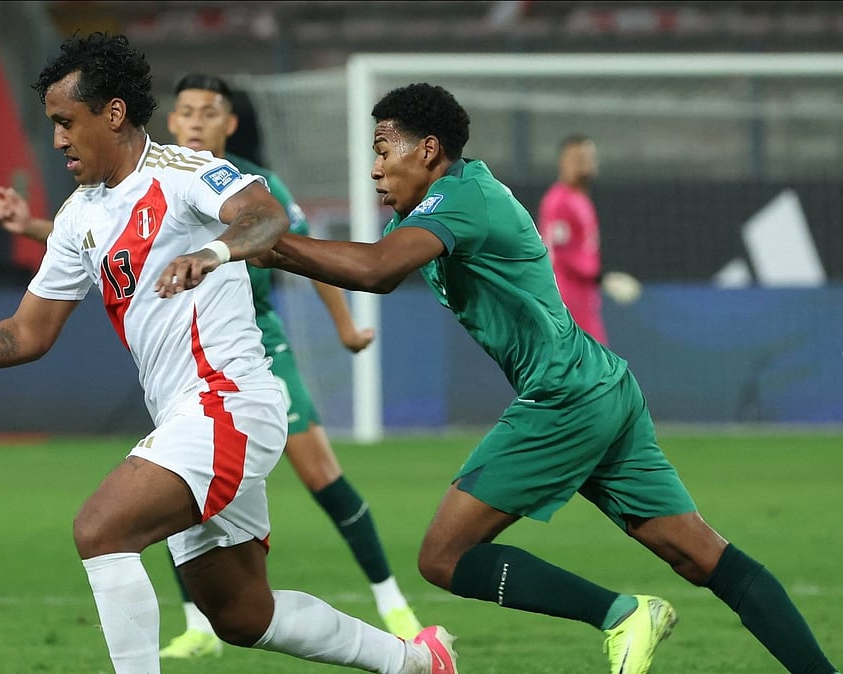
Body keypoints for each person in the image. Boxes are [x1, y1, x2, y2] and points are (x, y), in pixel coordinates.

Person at [0, 33, 457, 674]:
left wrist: (212, 251)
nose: (59, 141)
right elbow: (27, 333)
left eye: (67, 122)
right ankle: (414, 664)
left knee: (100, 530)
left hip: (228, 403)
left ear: (115, 113)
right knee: (240, 614)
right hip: (189, 417)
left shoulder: (183, 174)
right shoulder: (78, 218)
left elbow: (266, 216)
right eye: (52, 125)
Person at [226, 83, 838, 674]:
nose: (375, 169)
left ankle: (621, 613)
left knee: (443, 557)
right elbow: (370, 261)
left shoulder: (463, 199)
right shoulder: (441, 207)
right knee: (702, 555)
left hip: (565, 395)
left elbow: (378, 271)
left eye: (385, 149)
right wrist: (274, 249)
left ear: (429, 150)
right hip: (599, 385)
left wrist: (271, 245)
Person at [156, 72, 424, 657]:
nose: (196, 121)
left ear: (229, 123)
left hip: (260, 350)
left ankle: (391, 600)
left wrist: (347, 326)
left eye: (209, 112)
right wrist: (36, 229)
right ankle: (199, 629)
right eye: (187, 112)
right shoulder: (155, 181)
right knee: (179, 484)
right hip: (187, 360)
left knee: (320, 475)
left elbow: (310, 257)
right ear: (172, 122)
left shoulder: (257, 186)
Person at [536, 134, 640, 345]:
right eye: (577, 159)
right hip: (567, 302)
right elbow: (562, 253)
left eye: (588, 158)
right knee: (590, 370)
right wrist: (603, 279)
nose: (584, 164)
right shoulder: (559, 201)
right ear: (562, 163)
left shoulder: (579, 199)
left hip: (584, 300)